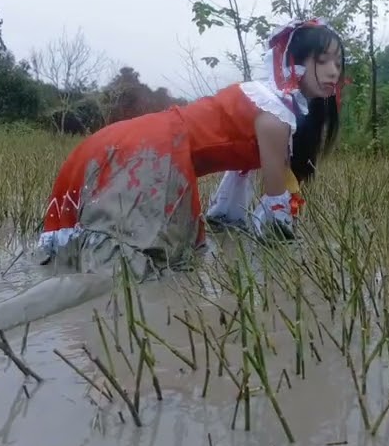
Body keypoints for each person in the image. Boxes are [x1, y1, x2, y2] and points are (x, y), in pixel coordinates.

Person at [34, 17, 346, 279]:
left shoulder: (269, 102)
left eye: (338, 62)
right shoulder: (274, 114)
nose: (334, 71)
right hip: (157, 150)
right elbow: (275, 212)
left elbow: (239, 180)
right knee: (129, 272)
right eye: (322, 61)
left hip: (144, 139)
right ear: (294, 63)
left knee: (111, 265)